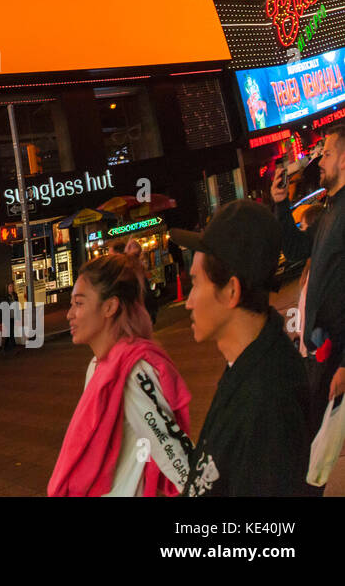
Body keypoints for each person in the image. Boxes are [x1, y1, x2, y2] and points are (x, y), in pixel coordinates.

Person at [176, 200, 314, 496]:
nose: (188, 301)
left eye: (196, 283)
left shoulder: (268, 403)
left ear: (231, 291)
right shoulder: (247, 363)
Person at [48, 254, 192, 497]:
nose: (69, 314)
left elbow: (176, 457)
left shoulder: (133, 372)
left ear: (110, 306)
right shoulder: (99, 366)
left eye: (79, 303)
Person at [273, 129, 345, 435]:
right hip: (321, 352)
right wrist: (279, 204)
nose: (319, 162)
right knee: (312, 448)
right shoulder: (330, 210)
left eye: (327, 154)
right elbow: (295, 249)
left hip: (336, 357)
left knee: (314, 451)